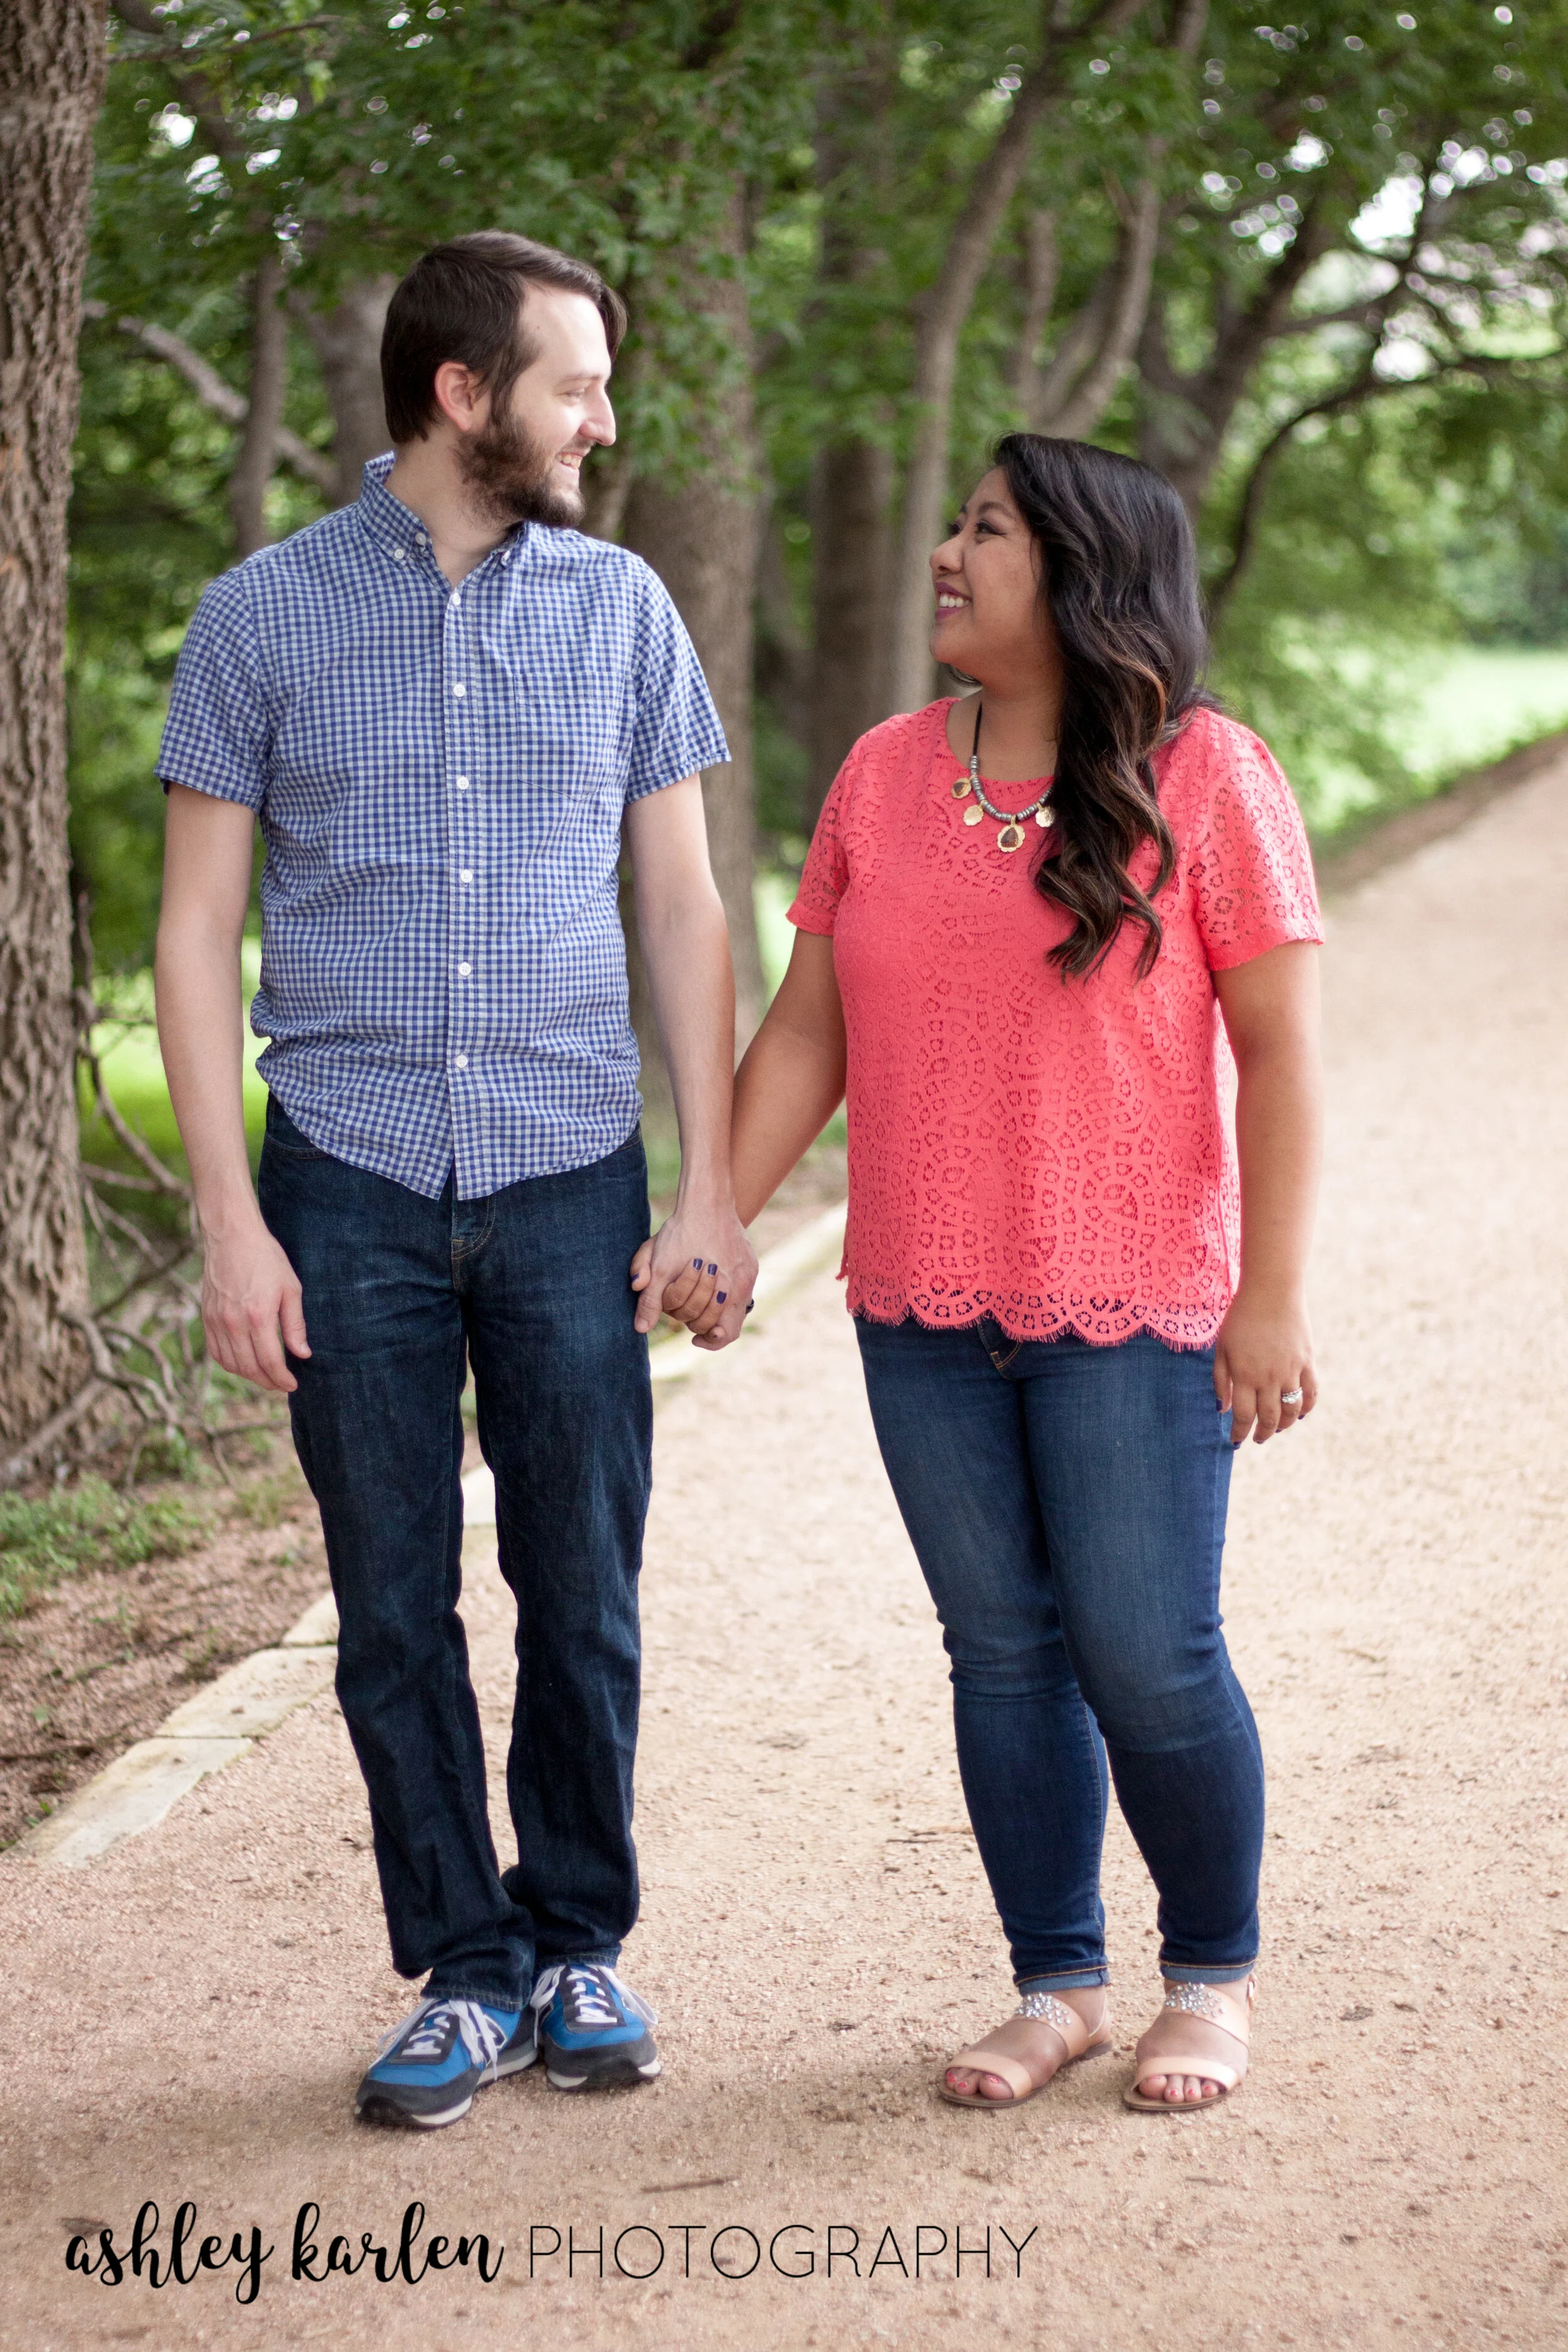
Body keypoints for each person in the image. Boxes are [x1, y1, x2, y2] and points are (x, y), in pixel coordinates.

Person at [154, 231, 755, 2130]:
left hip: (576, 1171)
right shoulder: (258, 617)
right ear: (461, 395)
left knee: (581, 1580)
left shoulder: (623, 607)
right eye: (573, 382)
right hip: (341, 1185)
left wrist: (714, 1183)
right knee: (389, 1599)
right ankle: (466, 1965)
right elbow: (190, 939)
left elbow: (680, 899)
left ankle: (579, 1935)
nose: (602, 414)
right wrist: (228, 1223)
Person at [720, 433, 1323, 2113]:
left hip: (1136, 1305)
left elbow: (1279, 1053)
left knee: (1147, 1652)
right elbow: (804, 1035)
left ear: (1075, 572)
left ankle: (1205, 1977)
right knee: (998, 1648)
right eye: (954, 523)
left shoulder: (1209, 776)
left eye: (984, 529)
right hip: (919, 1304)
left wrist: (1264, 1298)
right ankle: (1055, 1981)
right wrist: (716, 1213)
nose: (944, 551)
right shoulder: (879, 776)